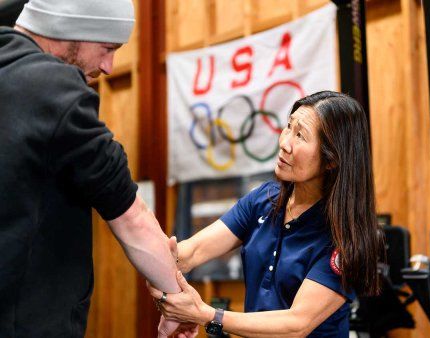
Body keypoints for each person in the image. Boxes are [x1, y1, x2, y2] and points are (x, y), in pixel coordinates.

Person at [0, 1, 194, 336]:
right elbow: (132, 219)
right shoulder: (55, 92)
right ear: (71, 28)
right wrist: (179, 303)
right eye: (107, 48)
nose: (108, 66)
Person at [148, 91, 383, 337]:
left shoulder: (343, 237)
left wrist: (205, 314)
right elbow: (191, 252)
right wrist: (160, 272)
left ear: (331, 159)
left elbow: (296, 325)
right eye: (289, 127)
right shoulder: (264, 199)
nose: (285, 143)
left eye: (300, 135)